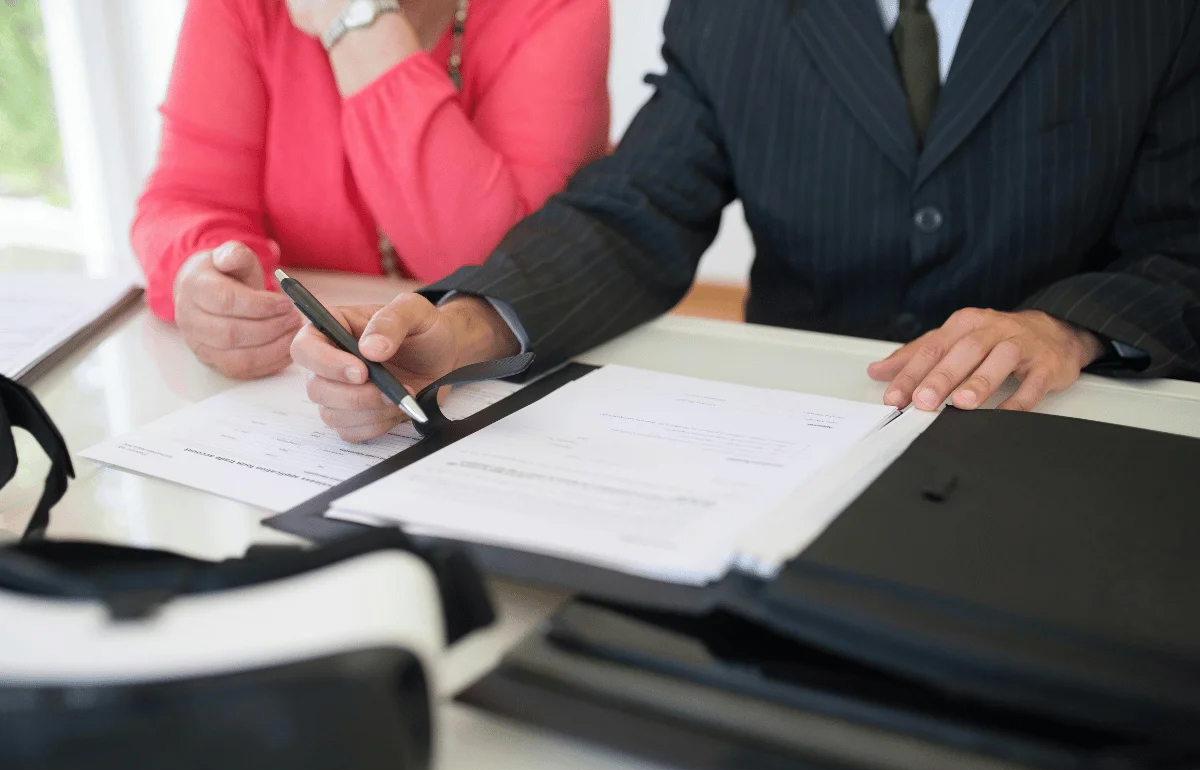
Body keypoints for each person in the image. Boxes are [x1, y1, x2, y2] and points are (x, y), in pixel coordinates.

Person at [294, 0, 1200, 442]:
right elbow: (634, 207)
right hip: (796, 438)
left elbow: (1184, 244)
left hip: (1063, 427)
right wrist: (465, 325)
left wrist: (1068, 326)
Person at [133, 0, 610, 379]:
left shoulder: (557, 8)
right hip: (294, 388)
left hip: (494, 381)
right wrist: (204, 278)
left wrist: (359, 22)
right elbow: (187, 200)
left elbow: (503, 269)